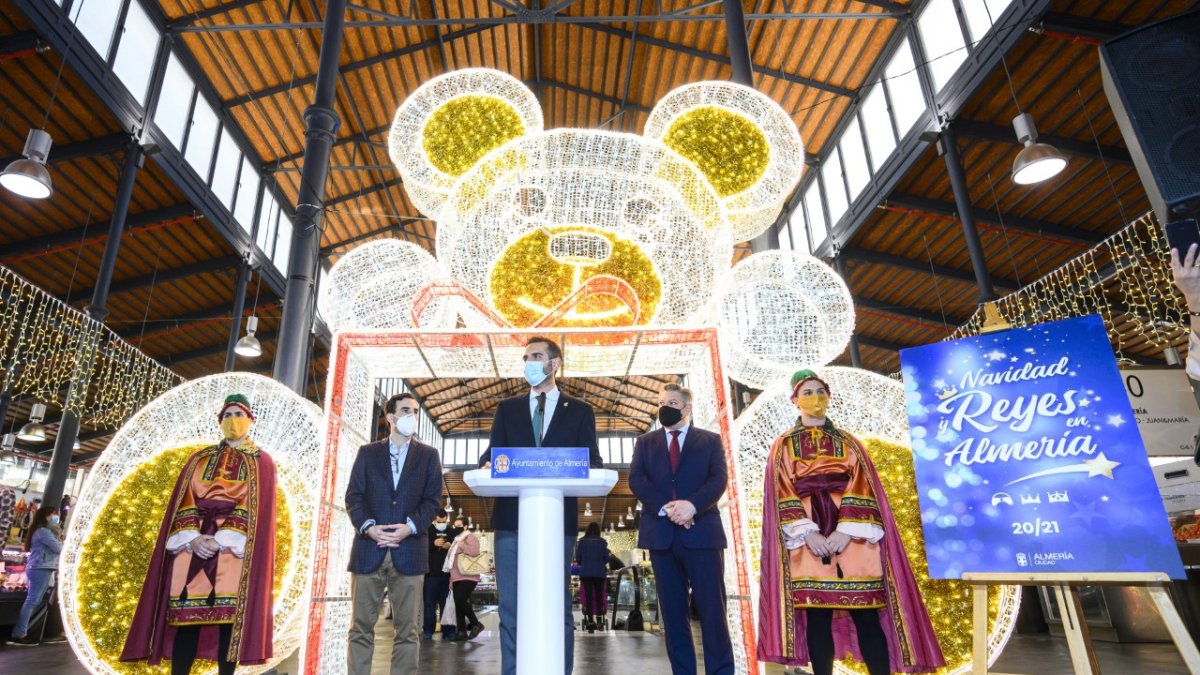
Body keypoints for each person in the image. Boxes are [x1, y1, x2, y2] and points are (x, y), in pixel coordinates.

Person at [758, 370, 944, 675]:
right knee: (819, 616)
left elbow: (863, 485)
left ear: (829, 397)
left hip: (856, 540)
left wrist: (847, 530)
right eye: (807, 392)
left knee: (867, 615)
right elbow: (782, 490)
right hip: (808, 540)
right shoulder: (783, 444)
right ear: (795, 400)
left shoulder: (849, 441)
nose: (815, 397)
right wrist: (808, 533)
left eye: (820, 391)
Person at [121, 394, 278, 674]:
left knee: (227, 621)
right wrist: (192, 537)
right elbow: (185, 499)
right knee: (186, 619)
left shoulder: (261, 461)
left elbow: (256, 507)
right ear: (219, 421)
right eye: (227, 415)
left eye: (238, 414)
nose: (233, 421)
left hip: (232, 548)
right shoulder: (199, 458)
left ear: (251, 420)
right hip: (191, 545)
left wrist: (221, 539)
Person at [479, 335, 603, 675]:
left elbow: (592, 459)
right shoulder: (507, 409)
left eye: (536, 356)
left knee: (556, 604)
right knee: (510, 607)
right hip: (510, 522)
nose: (529, 363)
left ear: (555, 363)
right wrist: (490, 463)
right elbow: (490, 455)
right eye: (526, 357)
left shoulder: (580, 411)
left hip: (556, 522)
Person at [628, 384, 734, 675]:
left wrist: (692, 506)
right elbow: (637, 480)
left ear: (687, 407)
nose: (665, 407)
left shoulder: (710, 441)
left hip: (702, 535)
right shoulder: (645, 443)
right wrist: (668, 507)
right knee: (674, 618)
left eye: (672, 402)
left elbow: (718, 480)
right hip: (662, 536)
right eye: (661, 402)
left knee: (713, 612)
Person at [345, 392, 443, 675]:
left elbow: (432, 500)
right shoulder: (367, 452)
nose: (412, 415)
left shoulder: (428, 456)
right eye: (405, 410)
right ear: (390, 417)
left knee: (408, 631)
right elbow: (354, 496)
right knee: (360, 627)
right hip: (368, 548)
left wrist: (409, 527)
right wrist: (369, 528)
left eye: (415, 411)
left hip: (410, 550)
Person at [6, 505, 62, 646]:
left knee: (33, 601)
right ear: (46, 517)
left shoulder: (40, 531)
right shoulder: (43, 532)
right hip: (40, 568)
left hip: (39, 567)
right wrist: (58, 537)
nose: (55, 519)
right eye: (52, 516)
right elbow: (59, 548)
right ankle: (19, 634)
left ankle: (22, 632)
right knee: (32, 601)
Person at [446, 516, 485, 641]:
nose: (456, 528)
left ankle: (476, 623)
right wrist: (451, 580)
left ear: (465, 527)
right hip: (457, 576)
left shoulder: (470, 537)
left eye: (459, 526)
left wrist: (462, 545)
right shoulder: (455, 540)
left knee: (460, 600)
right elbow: (451, 562)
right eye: (455, 526)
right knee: (458, 603)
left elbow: (474, 552)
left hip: (469, 576)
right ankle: (461, 631)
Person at [423, 509, 455, 641]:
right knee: (429, 604)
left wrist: (450, 546)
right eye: (438, 522)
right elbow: (420, 547)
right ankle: (428, 630)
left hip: (447, 574)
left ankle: (448, 631)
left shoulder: (451, 532)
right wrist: (433, 544)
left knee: (446, 604)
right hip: (430, 574)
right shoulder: (427, 531)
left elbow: (458, 549)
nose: (441, 524)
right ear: (433, 519)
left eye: (444, 522)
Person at [573, 522, 609, 633]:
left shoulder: (582, 542)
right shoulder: (602, 542)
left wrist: (584, 561)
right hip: (599, 573)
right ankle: (599, 621)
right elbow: (606, 559)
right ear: (598, 530)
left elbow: (578, 558)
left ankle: (590, 622)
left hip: (586, 573)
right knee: (599, 597)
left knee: (588, 598)